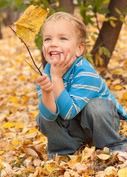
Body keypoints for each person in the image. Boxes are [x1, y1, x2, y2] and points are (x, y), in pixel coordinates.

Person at [36, 11, 127, 159]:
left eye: (63, 38)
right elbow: (49, 116)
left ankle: (113, 146)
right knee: (41, 115)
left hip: (97, 126)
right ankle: (64, 151)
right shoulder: (47, 74)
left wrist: (57, 78)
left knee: (97, 106)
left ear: (79, 49)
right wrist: (46, 92)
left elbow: (68, 112)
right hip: (74, 130)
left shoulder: (85, 72)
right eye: (47, 39)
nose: (53, 43)